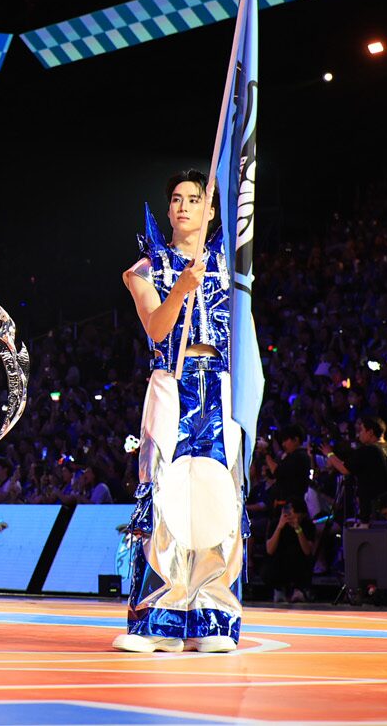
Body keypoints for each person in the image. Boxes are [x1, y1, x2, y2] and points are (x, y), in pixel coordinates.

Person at [117, 169, 244, 653]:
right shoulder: (145, 269)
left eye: (194, 198)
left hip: (221, 386)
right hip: (172, 383)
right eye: (176, 199)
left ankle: (213, 617)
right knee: (163, 495)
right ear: (168, 210)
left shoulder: (232, 267)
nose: (184, 206)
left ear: (210, 210)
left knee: (218, 498)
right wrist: (181, 289)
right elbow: (156, 329)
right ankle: (159, 622)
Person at [326, 416, 387, 522]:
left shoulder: (365, 451)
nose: (359, 434)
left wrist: (329, 453)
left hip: (373, 510)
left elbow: (344, 469)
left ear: (370, 432)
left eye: (361, 430)